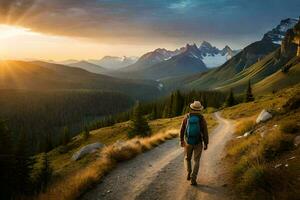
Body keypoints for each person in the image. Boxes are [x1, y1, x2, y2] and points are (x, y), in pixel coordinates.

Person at [180, 101, 209, 186]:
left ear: (192, 108)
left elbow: (182, 129)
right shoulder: (201, 118)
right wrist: (206, 143)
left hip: (188, 142)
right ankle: (193, 178)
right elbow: (205, 132)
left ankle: (189, 172)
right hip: (198, 142)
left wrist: (181, 140)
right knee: (196, 161)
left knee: (187, 158)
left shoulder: (187, 117)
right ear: (200, 109)